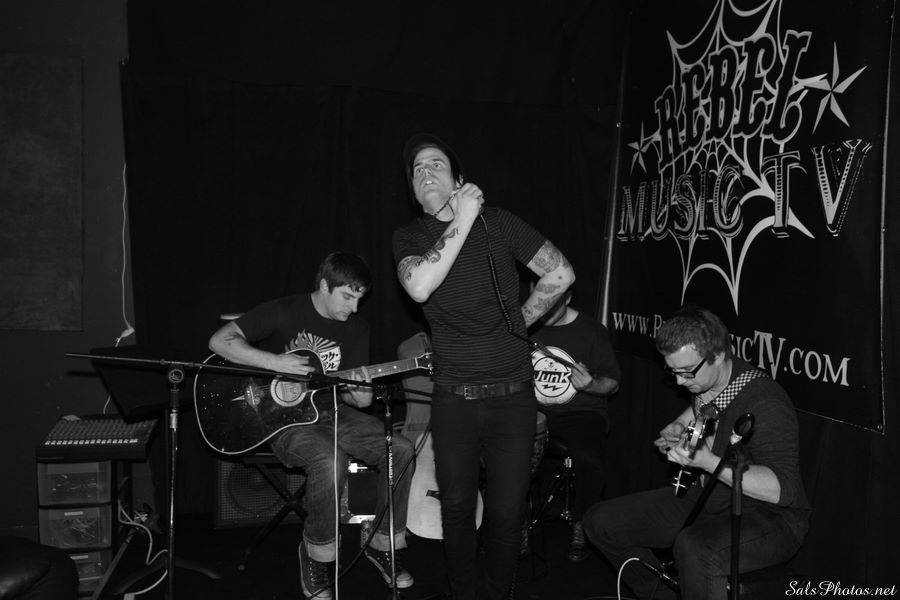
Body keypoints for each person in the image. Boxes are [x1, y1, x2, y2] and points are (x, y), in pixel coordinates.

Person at [392, 133, 576, 600]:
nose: (425, 172)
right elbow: (420, 286)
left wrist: (520, 319)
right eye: (417, 170)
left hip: (512, 398)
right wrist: (463, 217)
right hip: (454, 398)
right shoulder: (409, 238)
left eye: (435, 164)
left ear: (459, 179)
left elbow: (560, 273)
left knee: (507, 513)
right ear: (413, 190)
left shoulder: (501, 223)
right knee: (456, 509)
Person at [207, 252, 415, 600]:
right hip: (284, 422)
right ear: (324, 285)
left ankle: (381, 544)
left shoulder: (357, 328)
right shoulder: (284, 310)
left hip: (334, 412)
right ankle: (316, 554)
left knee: (402, 449)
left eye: (360, 298)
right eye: (347, 296)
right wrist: (275, 362)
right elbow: (219, 341)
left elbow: (354, 399)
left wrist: (361, 394)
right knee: (329, 460)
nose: (354, 307)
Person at [582, 306, 809, 600]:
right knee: (601, 522)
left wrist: (708, 462)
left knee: (695, 548)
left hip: (770, 517)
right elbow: (707, 407)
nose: (679, 381)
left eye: (686, 371)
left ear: (718, 356)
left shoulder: (767, 403)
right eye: (672, 371)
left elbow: (782, 490)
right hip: (711, 495)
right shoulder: (709, 380)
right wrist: (679, 426)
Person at [529, 289, 620, 562]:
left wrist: (590, 385)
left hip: (580, 413)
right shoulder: (526, 325)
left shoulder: (592, 331)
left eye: (552, 305)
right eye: (540, 304)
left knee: (589, 458)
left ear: (568, 297)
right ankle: (513, 523)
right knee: (501, 445)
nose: (544, 311)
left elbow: (612, 383)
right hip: (531, 411)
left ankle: (583, 523)